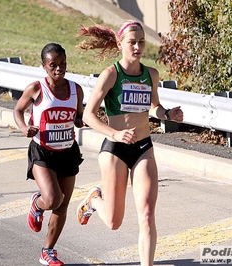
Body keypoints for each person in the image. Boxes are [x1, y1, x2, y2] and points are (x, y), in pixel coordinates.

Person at [75, 21, 183, 266]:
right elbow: (88, 115)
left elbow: (154, 106)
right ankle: (94, 199)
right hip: (116, 150)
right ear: (120, 44)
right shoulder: (111, 74)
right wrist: (114, 134)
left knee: (146, 214)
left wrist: (167, 114)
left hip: (143, 148)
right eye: (132, 42)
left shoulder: (151, 74)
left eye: (141, 42)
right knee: (114, 222)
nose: (137, 46)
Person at [13, 43, 85, 266]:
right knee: (54, 199)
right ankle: (38, 204)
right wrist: (25, 128)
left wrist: (81, 120)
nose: (59, 69)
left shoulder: (76, 89)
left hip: (68, 152)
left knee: (62, 206)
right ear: (44, 66)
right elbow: (17, 110)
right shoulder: (36, 88)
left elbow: (78, 116)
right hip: (42, 151)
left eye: (62, 64)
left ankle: (48, 251)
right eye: (53, 65)